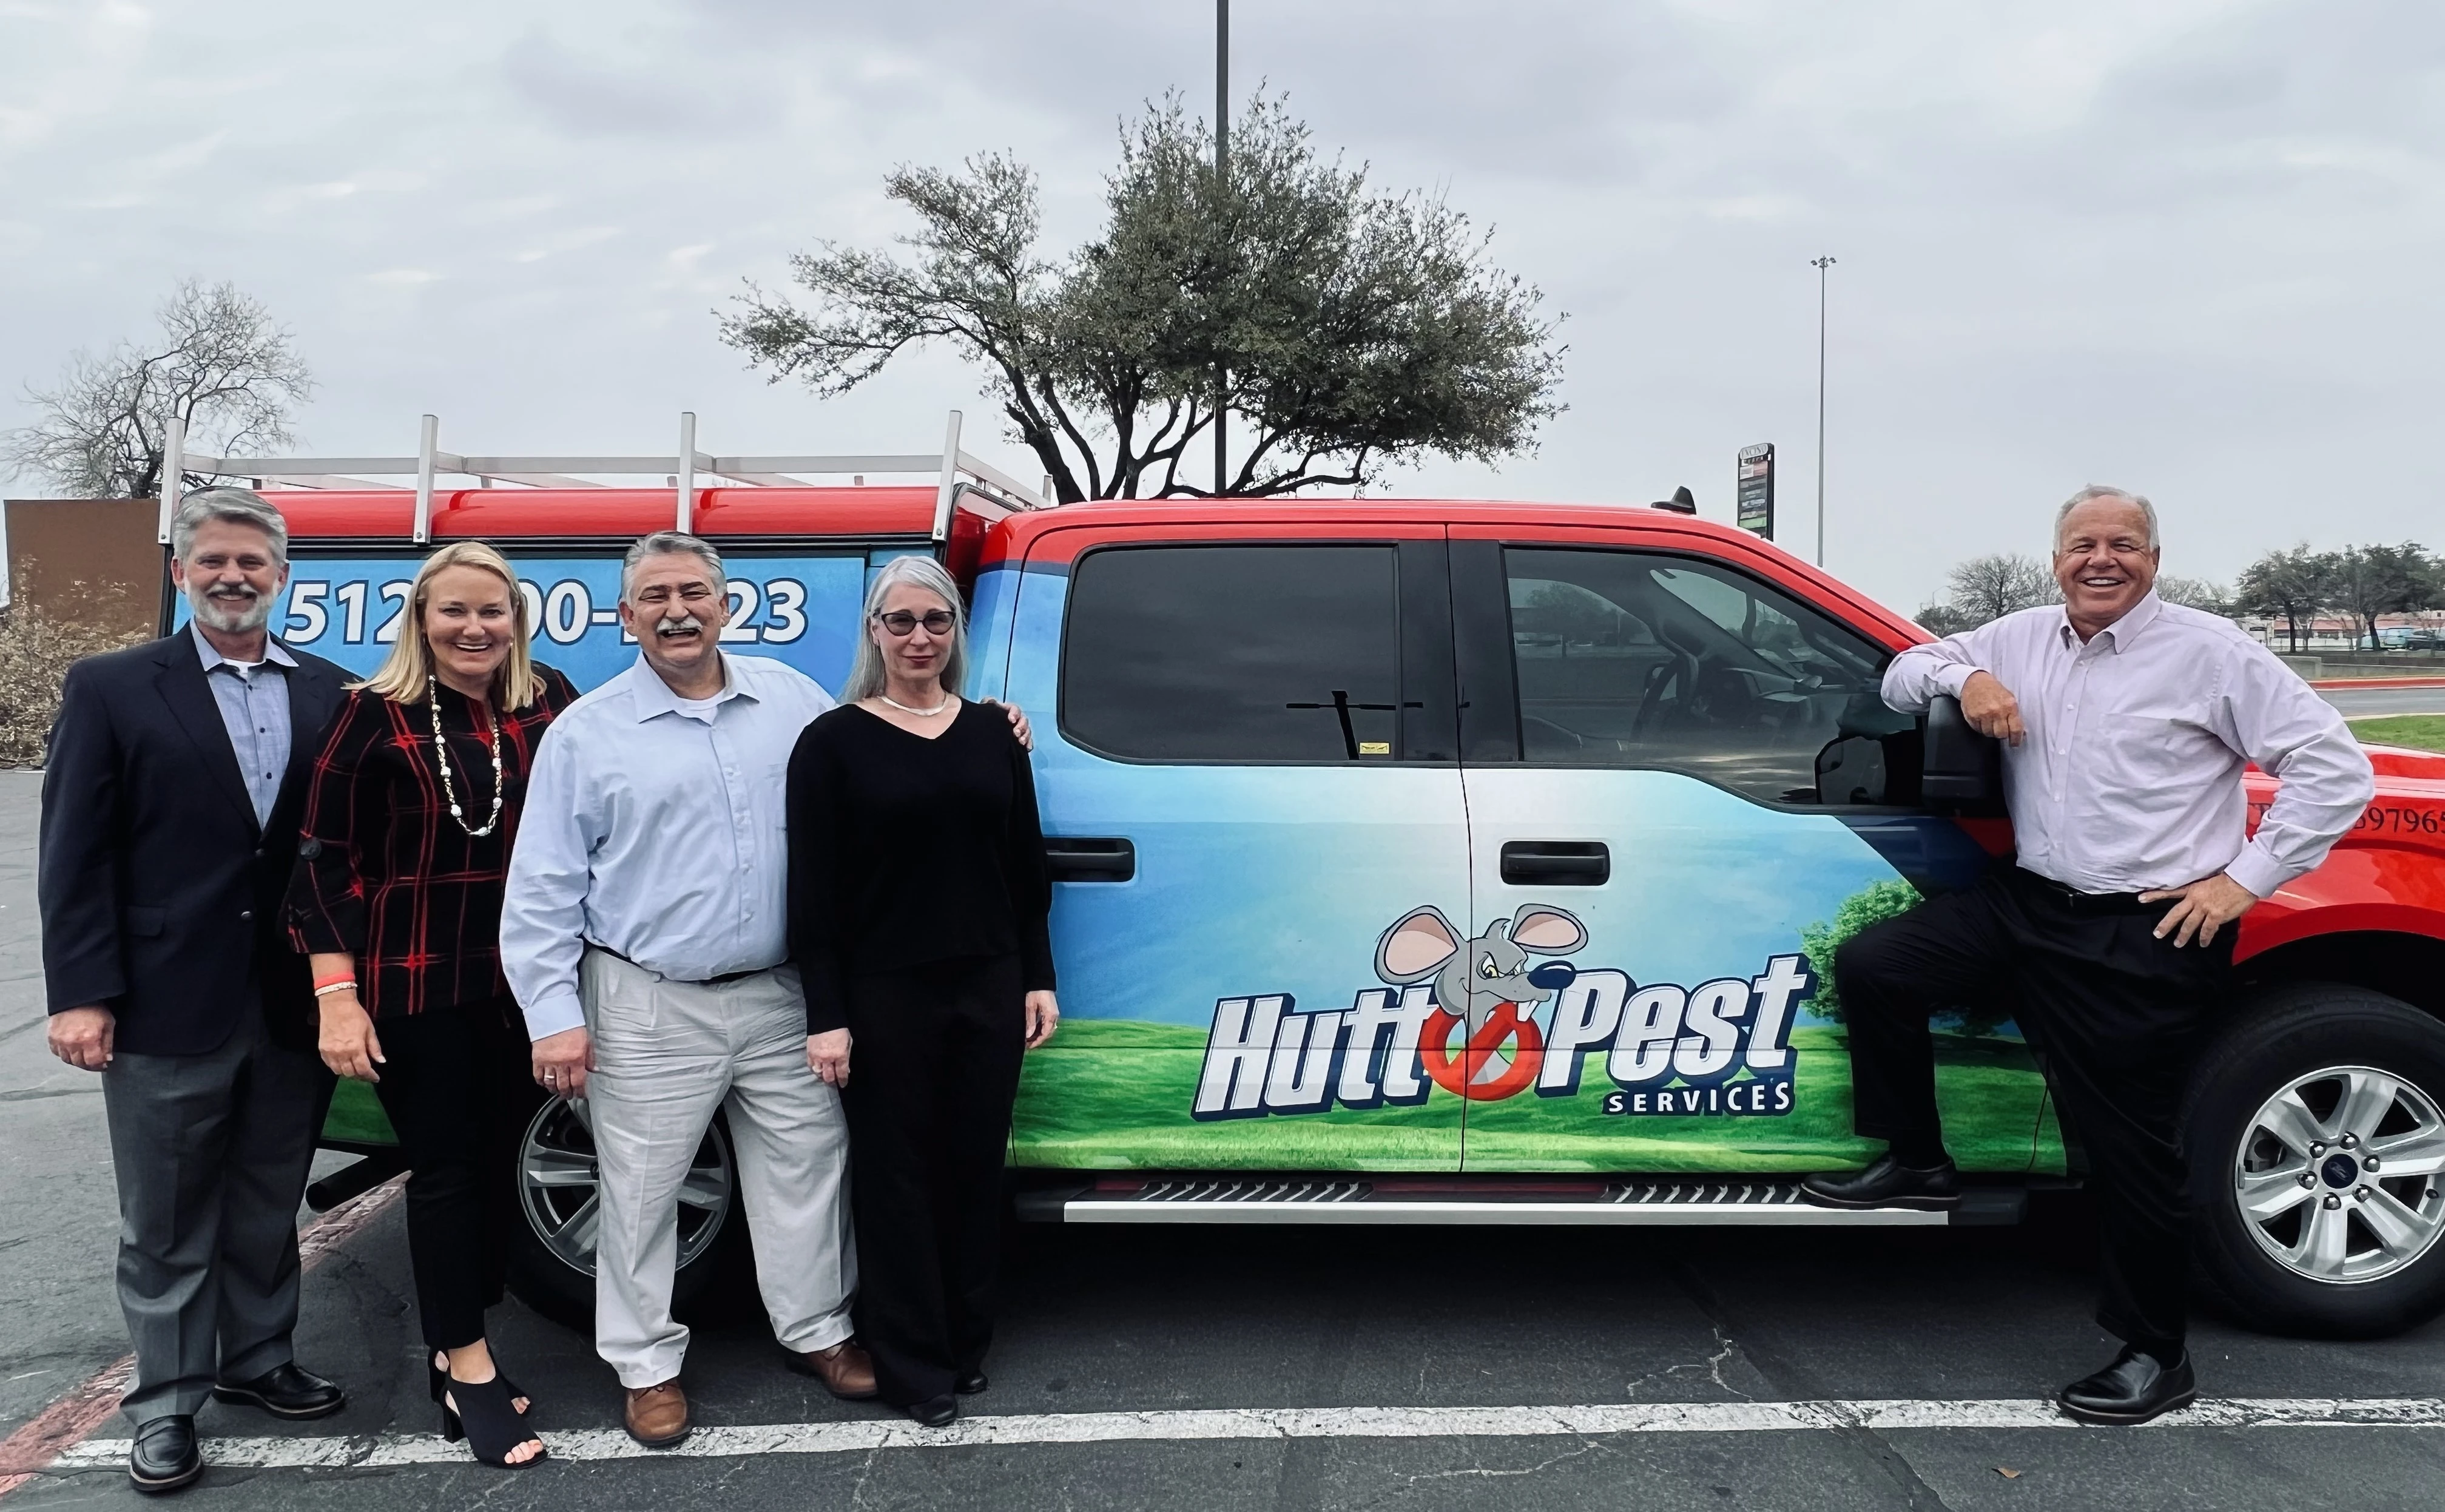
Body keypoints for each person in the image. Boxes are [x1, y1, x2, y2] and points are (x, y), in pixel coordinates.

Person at [1801, 486, 2376, 1425]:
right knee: (1877, 969)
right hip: (2026, 902)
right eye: (2081, 545)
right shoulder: (2019, 637)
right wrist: (1964, 681)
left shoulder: (2212, 655)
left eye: (2122, 545)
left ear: (2155, 557)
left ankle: (2155, 1353)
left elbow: (2332, 769)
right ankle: (1918, 1158)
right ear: (2055, 557)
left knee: (2127, 1148)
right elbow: (1904, 669)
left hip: (2142, 929)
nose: (2100, 560)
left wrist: (2243, 880)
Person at [499, 532, 1027, 1448]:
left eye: (696, 592)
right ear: (624, 616)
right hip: (649, 996)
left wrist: (991, 720)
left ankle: (818, 1333)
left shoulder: (791, 702)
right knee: (642, 1189)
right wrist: (553, 1017)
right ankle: (646, 1366)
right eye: (656, 595)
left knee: (807, 1174)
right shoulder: (586, 734)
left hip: (781, 994)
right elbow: (543, 884)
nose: (678, 610)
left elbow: (895, 750)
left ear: (725, 604)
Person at [38, 489, 352, 1494]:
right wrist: (82, 993)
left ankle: (260, 1359)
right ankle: (169, 1399)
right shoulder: (115, 687)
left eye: (252, 564)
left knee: (267, 1199)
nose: (232, 578)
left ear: (282, 576)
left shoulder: (332, 694)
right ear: (183, 573)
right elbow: (74, 855)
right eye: (213, 561)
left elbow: (333, 858)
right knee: (167, 1218)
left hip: (287, 1003)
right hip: (162, 1002)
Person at [286, 541, 578, 1468]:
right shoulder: (368, 718)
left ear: (516, 621)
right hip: (416, 983)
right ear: (421, 621)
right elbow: (320, 862)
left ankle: (462, 1343)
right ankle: (466, 1367)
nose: (474, 628)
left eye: (491, 611)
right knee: (449, 1174)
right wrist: (337, 996)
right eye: (452, 611)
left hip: (527, 980)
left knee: (502, 1166)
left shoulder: (551, 701)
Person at [786, 554, 1058, 1428]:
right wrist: (824, 1015)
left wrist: (1037, 977)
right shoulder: (832, 741)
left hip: (987, 982)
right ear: (874, 632)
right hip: (882, 994)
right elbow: (813, 895)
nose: (917, 638)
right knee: (895, 1180)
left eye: (934, 622)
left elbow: (1024, 868)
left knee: (973, 1169)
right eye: (898, 622)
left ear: (955, 633)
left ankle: (964, 1344)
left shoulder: (992, 733)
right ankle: (912, 1364)